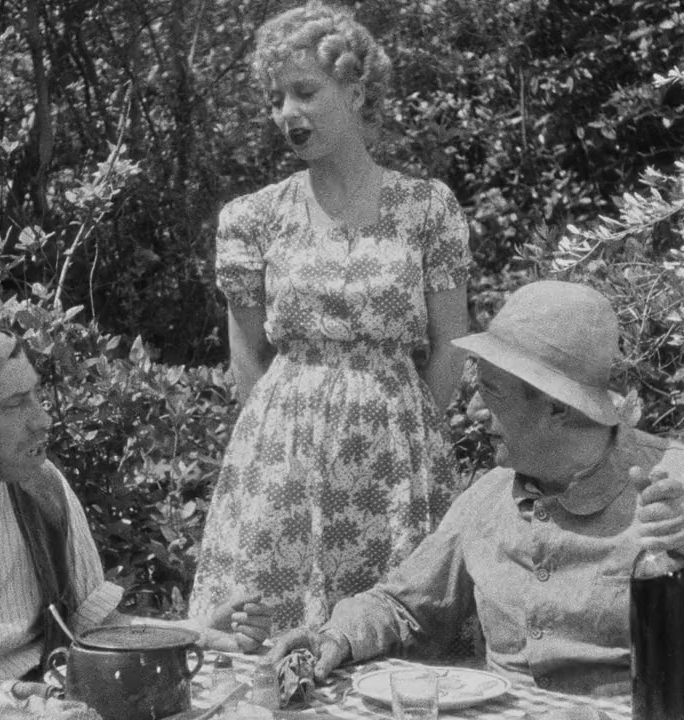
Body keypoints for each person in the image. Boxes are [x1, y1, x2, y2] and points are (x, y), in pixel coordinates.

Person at [267, 281, 684, 720]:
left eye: (491, 393)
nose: (473, 413)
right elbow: (405, 607)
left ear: (556, 406)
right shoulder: (489, 495)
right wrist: (336, 637)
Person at [189, 0, 472, 633]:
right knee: (263, 637)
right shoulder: (252, 218)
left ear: (356, 91)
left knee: (391, 634)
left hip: (395, 460)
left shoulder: (428, 209)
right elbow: (247, 356)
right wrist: (280, 450)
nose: (287, 113)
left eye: (305, 92)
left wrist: (405, 431)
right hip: (282, 457)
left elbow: (452, 343)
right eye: (275, 99)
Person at [0, 319, 271, 719]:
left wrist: (198, 632)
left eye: (35, 394)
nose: (43, 419)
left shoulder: (43, 485)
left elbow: (97, 628)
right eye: (15, 405)